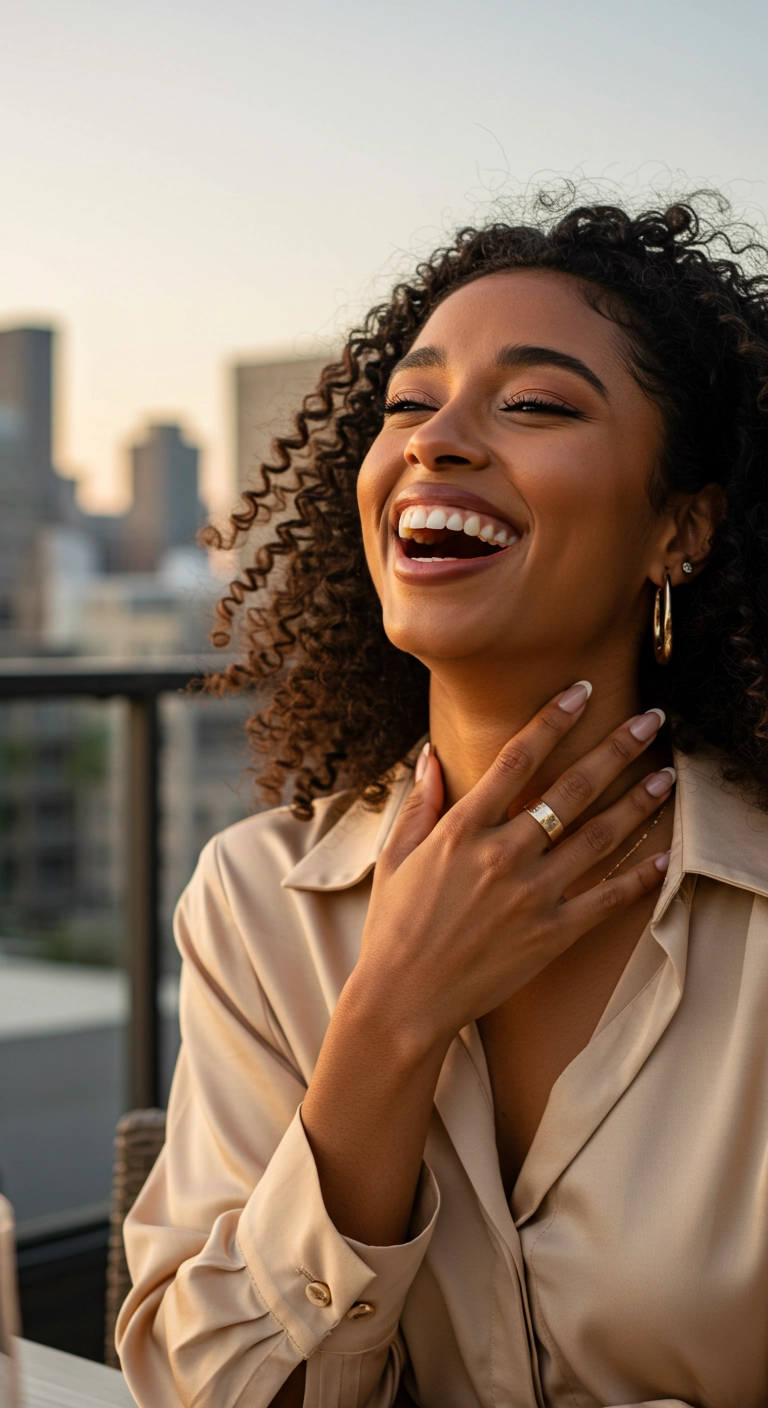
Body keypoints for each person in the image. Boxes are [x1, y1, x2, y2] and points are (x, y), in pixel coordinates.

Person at [116, 194, 768, 1408]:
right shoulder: (260, 904)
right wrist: (388, 1023)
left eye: (534, 404)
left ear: (678, 528)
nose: (437, 440)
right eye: (408, 404)